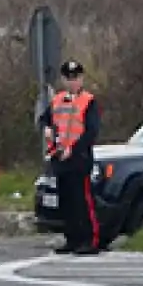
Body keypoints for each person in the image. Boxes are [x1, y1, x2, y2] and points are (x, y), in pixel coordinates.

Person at [40, 59, 103, 255]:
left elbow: (91, 131)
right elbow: (45, 119)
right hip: (61, 158)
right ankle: (72, 239)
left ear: (81, 79)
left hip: (79, 159)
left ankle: (90, 240)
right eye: (68, 78)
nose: (72, 82)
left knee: (82, 201)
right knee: (66, 201)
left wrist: (74, 150)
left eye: (75, 78)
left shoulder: (88, 101)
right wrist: (47, 129)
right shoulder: (58, 100)